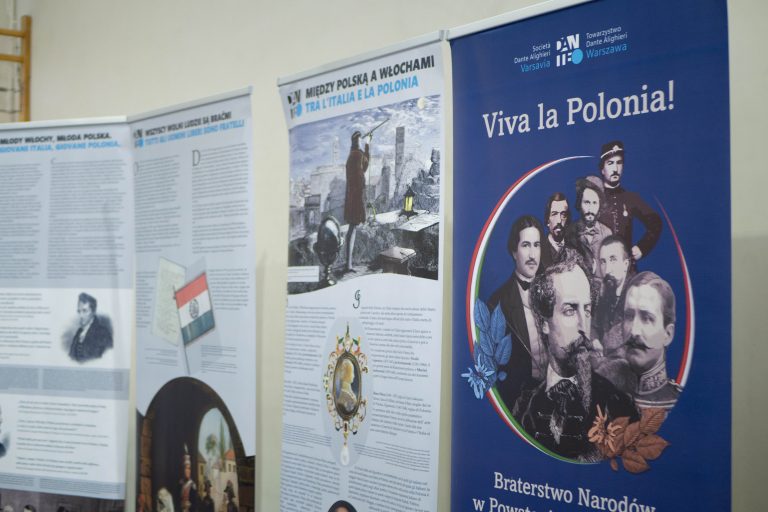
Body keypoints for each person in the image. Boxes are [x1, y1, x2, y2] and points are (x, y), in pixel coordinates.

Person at [513, 249, 637, 460]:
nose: (583, 326)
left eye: (587, 310)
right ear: (544, 323)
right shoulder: (523, 407)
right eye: (570, 310)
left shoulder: (619, 405)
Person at [488, 216, 548, 407]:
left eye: (536, 245)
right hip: (519, 402)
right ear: (514, 251)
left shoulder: (555, 291)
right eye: (525, 245)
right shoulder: (497, 304)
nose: (532, 254)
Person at [623, 271, 682, 412]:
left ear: (668, 334)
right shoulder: (605, 396)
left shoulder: (679, 402)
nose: (634, 331)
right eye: (629, 316)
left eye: (647, 318)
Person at [596, 141, 662, 263]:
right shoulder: (593, 198)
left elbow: (656, 222)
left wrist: (642, 247)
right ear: (602, 169)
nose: (615, 169)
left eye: (619, 163)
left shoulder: (630, 198)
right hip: (600, 269)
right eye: (610, 163)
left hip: (626, 267)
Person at [565, 177, 612, 276]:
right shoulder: (569, 232)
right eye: (587, 202)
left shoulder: (607, 234)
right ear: (579, 203)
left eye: (594, 203)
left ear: (600, 206)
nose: (590, 209)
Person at [343, 131, 370, 272]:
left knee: (352, 228)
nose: (360, 142)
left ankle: (348, 264)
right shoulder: (357, 154)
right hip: (356, 196)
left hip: (353, 196)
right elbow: (365, 165)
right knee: (352, 228)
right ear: (355, 142)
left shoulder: (352, 155)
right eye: (359, 140)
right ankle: (348, 265)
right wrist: (368, 145)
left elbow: (363, 167)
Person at [68, 292, 112, 362]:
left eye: (84, 311)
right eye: (79, 311)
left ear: (93, 312)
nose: (81, 315)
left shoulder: (103, 333)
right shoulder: (79, 332)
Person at [540, 192, 570, 270]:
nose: (559, 220)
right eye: (554, 214)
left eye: (563, 214)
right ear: (547, 220)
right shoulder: (539, 250)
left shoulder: (575, 247)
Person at [178, 445, 198, 512]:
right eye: (186, 468)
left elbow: (195, 504)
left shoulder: (192, 486)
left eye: (189, 469)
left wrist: (189, 505)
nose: (187, 471)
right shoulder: (180, 484)